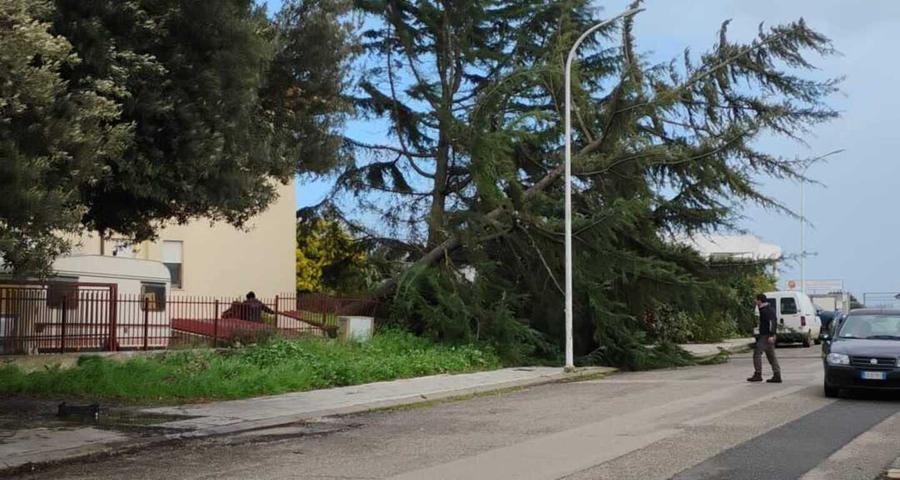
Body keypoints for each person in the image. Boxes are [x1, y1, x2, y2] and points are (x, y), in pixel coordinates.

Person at [748, 293, 782, 383]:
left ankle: (758, 374)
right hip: (767, 335)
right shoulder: (765, 309)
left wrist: (771, 335)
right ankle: (777, 375)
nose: (755, 301)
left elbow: (772, 322)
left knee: (757, 353)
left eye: (756, 299)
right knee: (771, 356)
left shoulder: (766, 310)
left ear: (760, 300)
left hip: (766, 335)